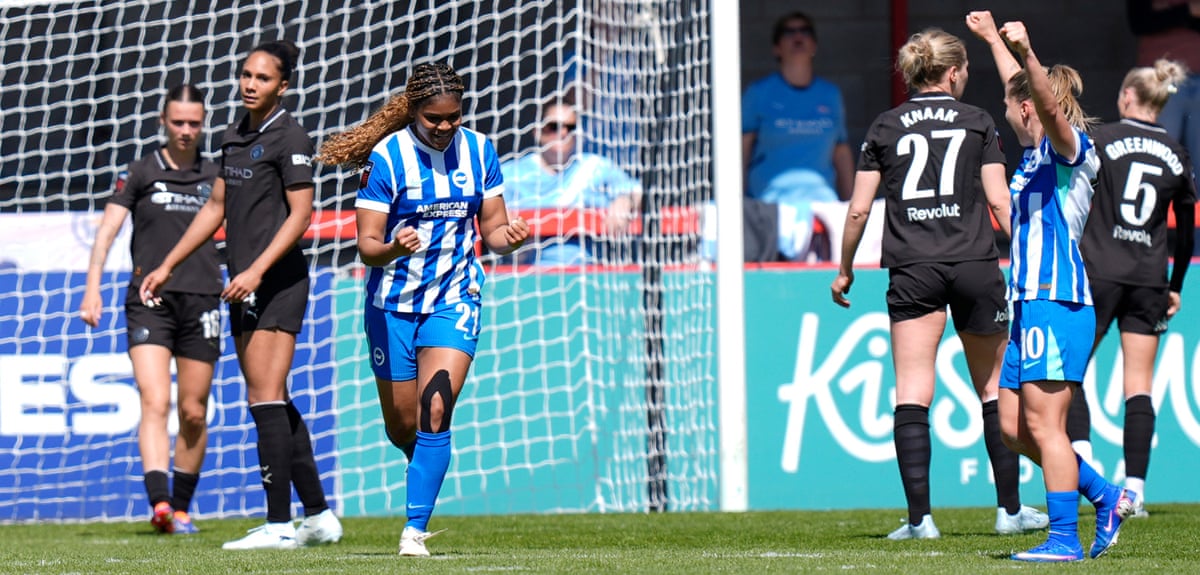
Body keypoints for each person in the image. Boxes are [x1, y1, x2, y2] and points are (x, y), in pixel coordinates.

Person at [831, 28, 1046, 541]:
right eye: (965, 69)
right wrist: (1031, 255)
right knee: (993, 390)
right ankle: (1009, 511)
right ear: (952, 72)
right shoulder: (977, 121)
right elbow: (999, 202)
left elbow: (859, 208)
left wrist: (845, 268)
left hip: (913, 267)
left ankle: (920, 520)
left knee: (912, 391)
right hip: (974, 262)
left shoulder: (885, 125)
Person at [315, 62, 528, 557]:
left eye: (454, 116)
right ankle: (428, 463)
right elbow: (368, 246)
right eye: (435, 118)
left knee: (436, 407)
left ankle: (414, 531)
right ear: (414, 111)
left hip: (455, 299)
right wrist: (394, 247)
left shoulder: (480, 151)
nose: (445, 126)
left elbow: (493, 231)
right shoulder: (386, 159)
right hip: (392, 305)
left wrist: (510, 238)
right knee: (402, 425)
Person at [141, 40, 342, 550]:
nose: (251, 84)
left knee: (264, 397)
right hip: (244, 285)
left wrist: (254, 270)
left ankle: (278, 526)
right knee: (272, 398)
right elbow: (215, 208)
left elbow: (302, 215)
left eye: (263, 78)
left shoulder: (290, 136)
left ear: (283, 86)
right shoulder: (234, 134)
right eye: (246, 75)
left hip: (277, 282)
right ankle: (318, 516)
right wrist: (167, 264)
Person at [966, 11, 1136, 562]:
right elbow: (1022, 88)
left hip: (1056, 300)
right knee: (1014, 428)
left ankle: (1064, 538)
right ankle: (1106, 495)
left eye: (1011, 101)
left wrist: (1028, 53)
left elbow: (1043, 103)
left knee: (1045, 426)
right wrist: (992, 40)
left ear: (1026, 108)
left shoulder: (1070, 148)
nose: (1006, 107)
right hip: (1028, 306)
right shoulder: (1035, 156)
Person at [79, 84, 222, 536]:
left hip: (202, 299)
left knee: (193, 411)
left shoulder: (216, 175)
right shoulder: (141, 171)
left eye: (194, 123)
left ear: (203, 124)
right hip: (149, 300)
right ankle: (160, 504)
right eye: (177, 122)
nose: (186, 130)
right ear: (163, 121)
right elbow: (107, 230)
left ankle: (181, 508)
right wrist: (92, 288)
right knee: (154, 399)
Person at [1068, 58, 1197, 519]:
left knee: (1070, 372)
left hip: (1098, 271)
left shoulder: (1102, 139)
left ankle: (1084, 468)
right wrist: (1174, 285)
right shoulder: (1176, 153)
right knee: (1139, 386)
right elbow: (1186, 233)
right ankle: (1136, 492)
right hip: (1148, 277)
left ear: (1127, 96)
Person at [742, 11, 855, 261]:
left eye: (805, 31)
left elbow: (841, 152)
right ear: (776, 48)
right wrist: (740, 203)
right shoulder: (758, 93)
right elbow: (742, 150)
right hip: (770, 209)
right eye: (789, 32)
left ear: (814, 44)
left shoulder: (830, 94)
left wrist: (853, 206)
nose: (798, 37)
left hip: (824, 209)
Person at [501, 101, 641, 266]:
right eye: (554, 127)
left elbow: (636, 190)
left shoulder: (593, 167)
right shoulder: (511, 174)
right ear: (537, 132)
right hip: (528, 272)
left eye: (571, 128)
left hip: (589, 271)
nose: (563, 133)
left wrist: (626, 200)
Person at [1127, 0, 1200, 181]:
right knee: (1156, 156)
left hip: (1197, 76)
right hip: (1159, 79)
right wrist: (1188, 11)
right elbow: (1140, 21)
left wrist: (1171, 13)